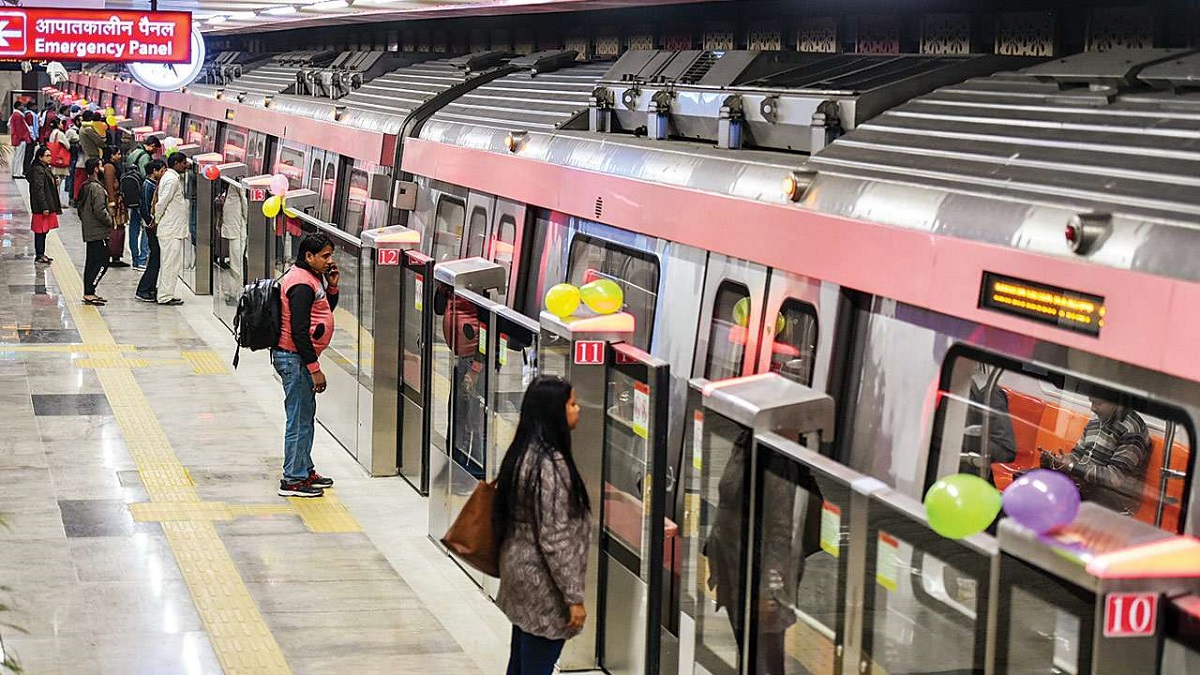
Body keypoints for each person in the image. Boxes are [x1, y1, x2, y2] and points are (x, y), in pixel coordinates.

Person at [493, 376, 591, 675]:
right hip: (543, 585)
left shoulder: (523, 453)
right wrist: (573, 598)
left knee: (520, 662)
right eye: (572, 404)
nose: (578, 410)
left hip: (518, 572)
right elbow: (555, 538)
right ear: (555, 413)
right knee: (536, 666)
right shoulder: (550, 467)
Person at [273, 233, 340, 498]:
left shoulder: (309, 278)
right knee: (299, 419)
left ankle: (303, 468)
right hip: (295, 358)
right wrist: (315, 369)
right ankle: (292, 479)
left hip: (298, 358)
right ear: (309, 256)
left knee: (305, 417)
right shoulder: (301, 284)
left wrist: (332, 287)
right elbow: (299, 330)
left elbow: (322, 310)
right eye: (325, 256)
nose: (329, 261)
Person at [1042, 396, 1151, 515]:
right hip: (1087, 490)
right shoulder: (1095, 422)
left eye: (1098, 403)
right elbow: (1078, 454)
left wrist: (1073, 467)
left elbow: (1114, 478)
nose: (1092, 408)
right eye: (1091, 402)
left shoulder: (1132, 430)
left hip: (1113, 504)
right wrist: (1060, 461)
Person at [153, 152, 189, 306]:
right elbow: (161, 203)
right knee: (169, 263)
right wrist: (157, 219)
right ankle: (164, 296)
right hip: (170, 229)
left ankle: (167, 293)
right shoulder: (172, 180)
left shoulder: (171, 178)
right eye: (184, 163)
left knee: (171, 263)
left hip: (173, 228)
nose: (186, 165)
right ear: (176, 163)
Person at [77, 158, 113, 306]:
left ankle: (89, 292)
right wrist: (110, 221)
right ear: (96, 169)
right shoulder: (97, 188)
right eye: (100, 165)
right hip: (98, 231)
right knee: (103, 262)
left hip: (90, 230)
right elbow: (99, 210)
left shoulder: (86, 186)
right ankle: (90, 291)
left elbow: (80, 208)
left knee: (91, 262)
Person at [135, 160, 166, 302]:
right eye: (162, 170)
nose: (163, 173)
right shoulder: (148, 186)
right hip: (151, 228)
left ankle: (150, 287)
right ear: (154, 170)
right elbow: (146, 209)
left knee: (156, 258)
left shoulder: (152, 185)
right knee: (154, 258)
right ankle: (144, 289)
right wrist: (151, 223)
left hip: (152, 226)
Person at [27, 145, 61, 265]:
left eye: (50, 155)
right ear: (40, 157)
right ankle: (39, 254)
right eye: (47, 155)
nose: (49, 158)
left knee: (44, 230)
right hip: (41, 206)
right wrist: (44, 206)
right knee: (40, 231)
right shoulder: (38, 170)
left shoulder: (44, 168)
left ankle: (41, 253)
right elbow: (38, 189)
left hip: (46, 204)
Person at [100, 146, 130, 268]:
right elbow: (109, 185)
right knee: (116, 228)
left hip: (117, 201)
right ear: (111, 155)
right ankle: (113, 254)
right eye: (117, 154)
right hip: (115, 202)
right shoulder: (109, 167)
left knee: (118, 228)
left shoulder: (109, 166)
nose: (119, 156)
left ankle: (115, 255)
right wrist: (112, 202)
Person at [220, 183, 248, 298]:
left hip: (235, 226)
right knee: (236, 260)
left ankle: (236, 290)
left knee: (236, 260)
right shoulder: (234, 183)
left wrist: (246, 219)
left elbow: (244, 202)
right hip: (235, 226)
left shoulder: (234, 183)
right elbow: (244, 202)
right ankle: (236, 290)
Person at [8, 101, 32, 179]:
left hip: (17, 138)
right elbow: (20, 129)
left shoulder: (15, 115)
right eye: (22, 105)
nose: (23, 107)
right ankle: (17, 173)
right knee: (19, 156)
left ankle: (16, 172)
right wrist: (23, 138)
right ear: (18, 106)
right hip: (20, 139)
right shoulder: (18, 115)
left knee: (17, 156)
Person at [46, 119, 72, 185]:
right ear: (57, 124)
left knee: (54, 179)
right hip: (59, 159)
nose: (62, 125)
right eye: (61, 123)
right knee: (58, 180)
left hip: (53, 157)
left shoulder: (52, 133)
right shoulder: (60, 134)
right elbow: (68, 146)